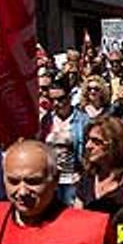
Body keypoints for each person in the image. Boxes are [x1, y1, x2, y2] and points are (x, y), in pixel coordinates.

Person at [75, 115, 123, 215]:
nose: (88, 146)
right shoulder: (88, 178)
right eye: (88, 140)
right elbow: (78, 216)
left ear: (115, 144)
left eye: (96, 141)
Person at [39, 76, 89, 205]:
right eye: (52, 100)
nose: (56, 103)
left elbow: (88, 151)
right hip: (51, 178)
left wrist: (83, 174)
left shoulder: (83, 121)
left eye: (60, 99)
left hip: (72, 179)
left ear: (69, 97)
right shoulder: (47, 120)